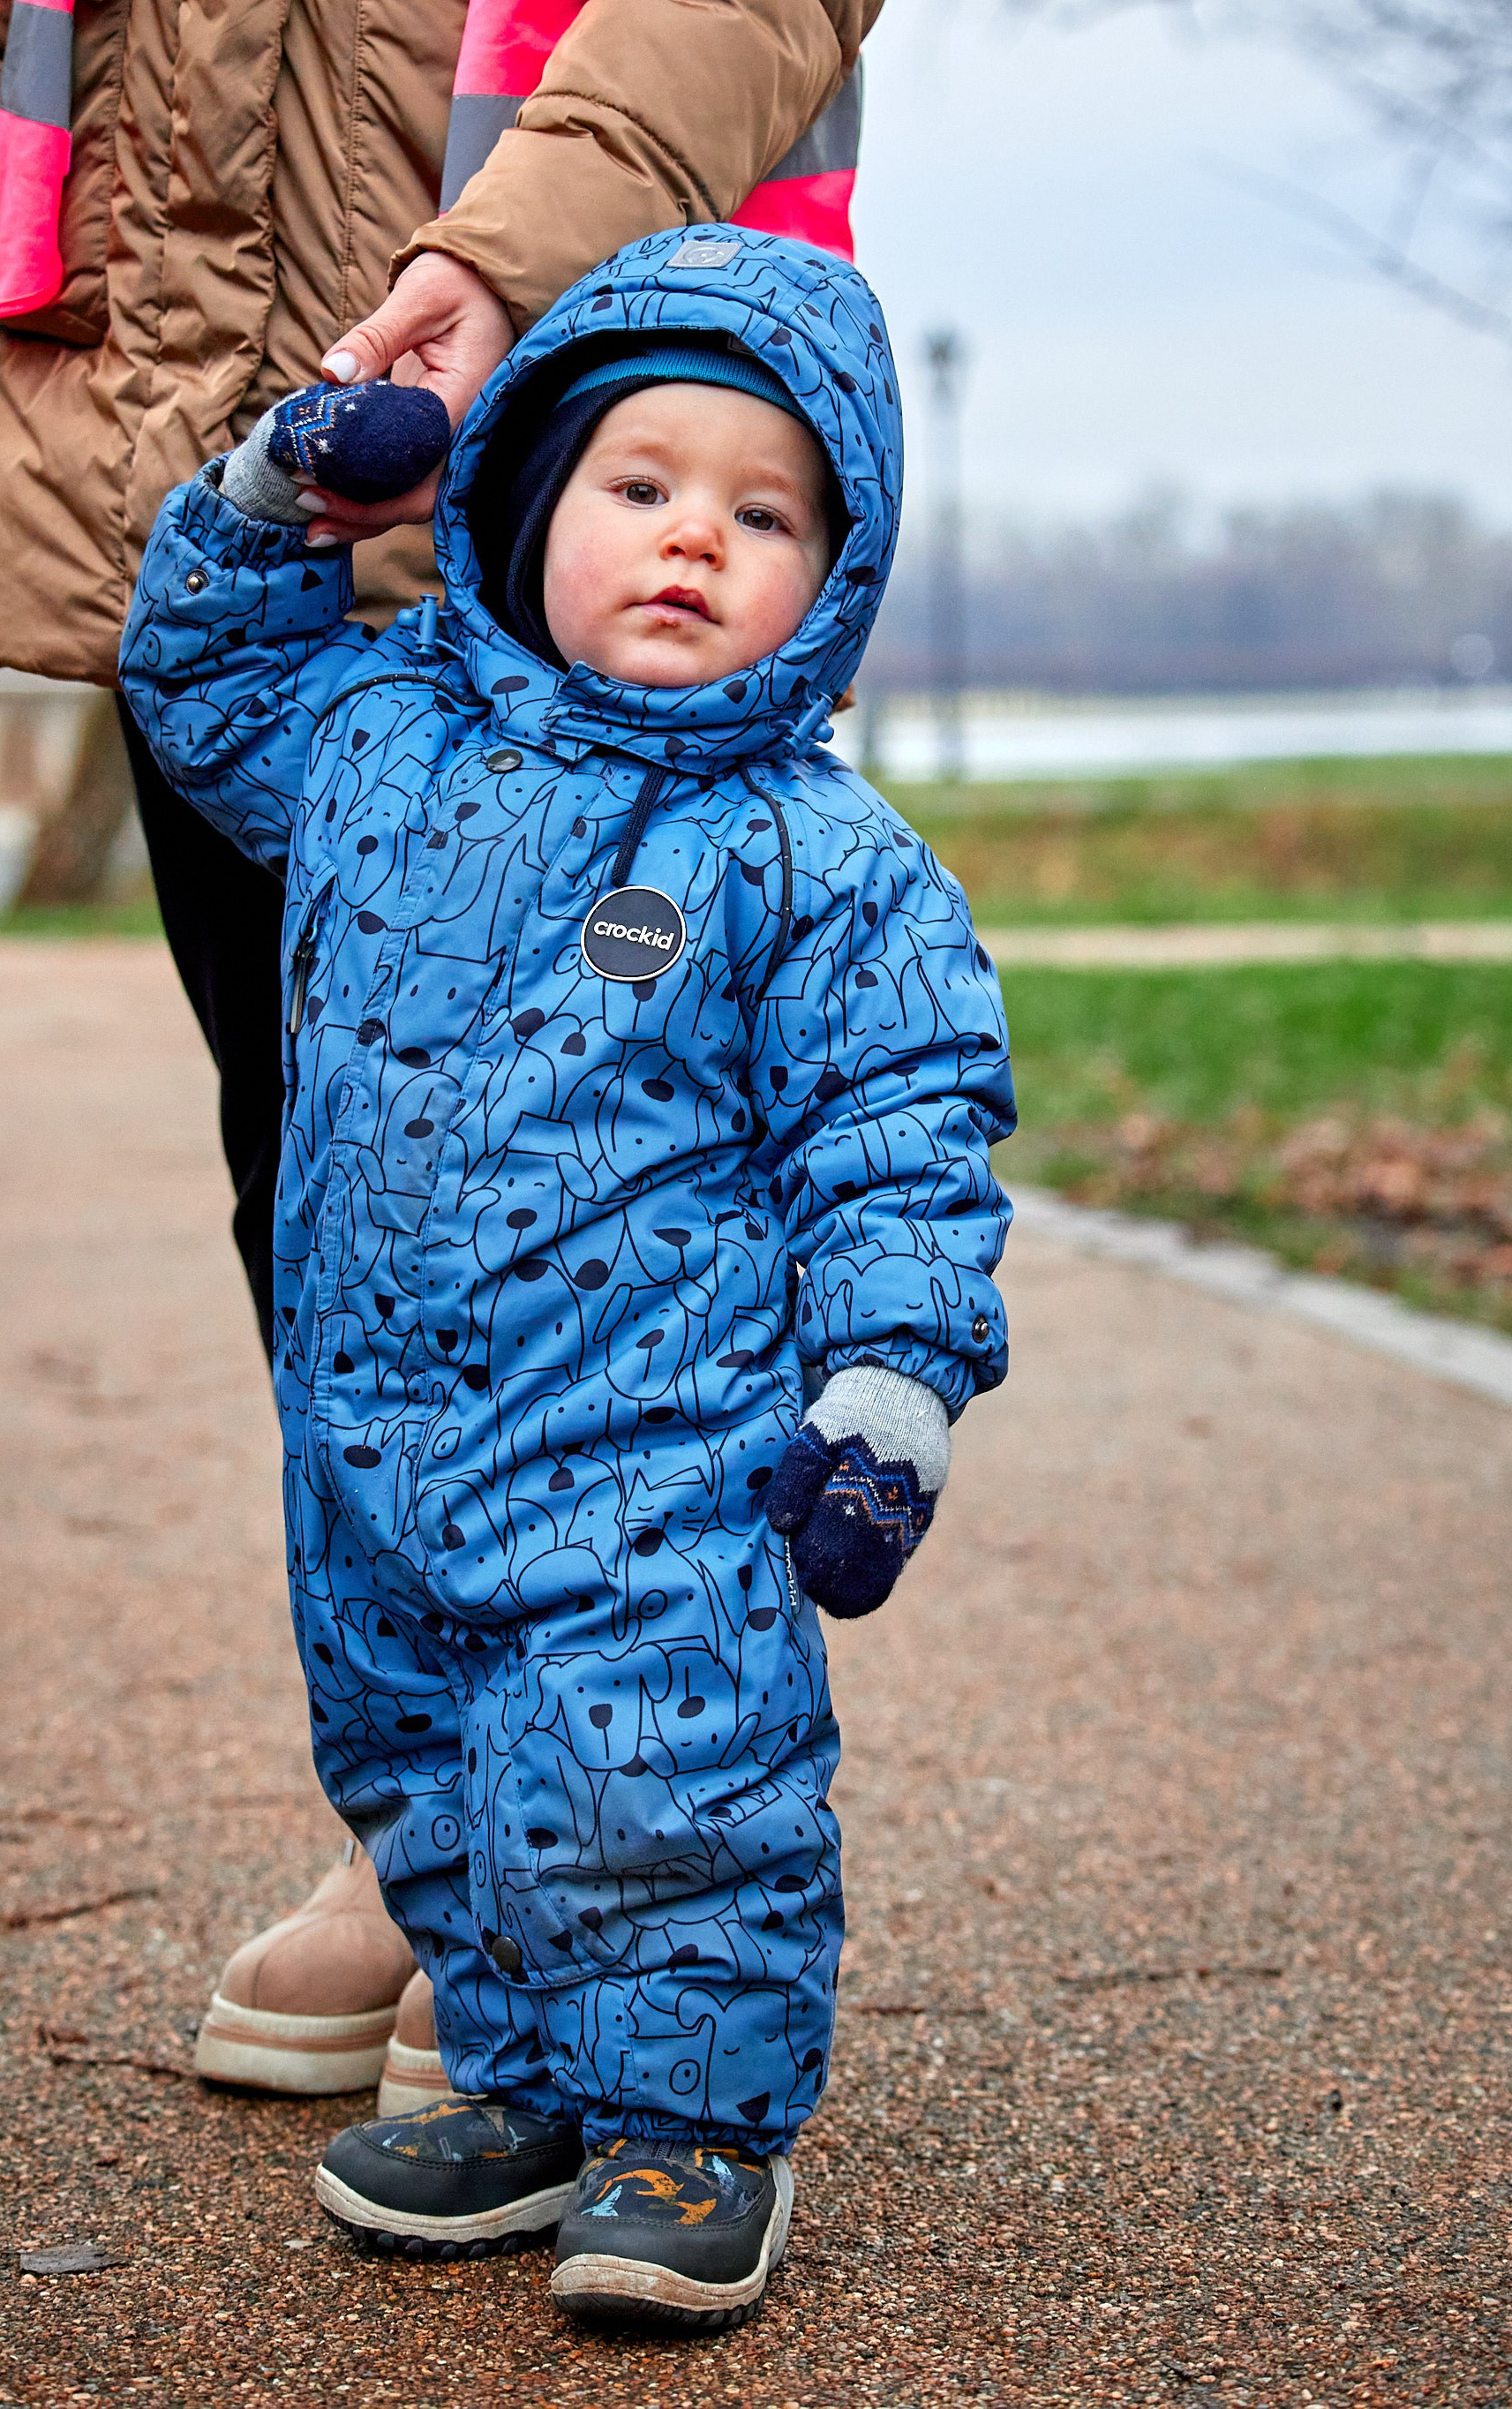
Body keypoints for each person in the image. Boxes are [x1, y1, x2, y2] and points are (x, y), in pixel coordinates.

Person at [0, 0, 951, 2091]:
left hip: (566, 327)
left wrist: (533, 244)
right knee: (328, 1162)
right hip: (164, 349)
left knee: (614, 1194)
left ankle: (616, 1846)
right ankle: (431, 1824)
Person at [121, 223, 1014, 2328]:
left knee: (654, 1779)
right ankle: (522, 2077)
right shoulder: (378, 744)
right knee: (419, 1758)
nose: (695, 539)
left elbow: (904, 1137)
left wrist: (887, 1385)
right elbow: (203, 677)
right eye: (642, 485)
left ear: (838, 572)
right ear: (528, 505)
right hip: (375, 1442)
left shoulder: (818, 860)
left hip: (651, 1466)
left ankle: (691, 2123)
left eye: (764, 511)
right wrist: (270, 499)